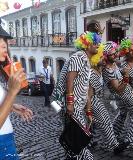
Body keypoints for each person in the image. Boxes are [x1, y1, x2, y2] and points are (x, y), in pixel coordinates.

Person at [52, 31, 101, 160]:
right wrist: (70, 103)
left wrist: (89, 112)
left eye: (98, 43)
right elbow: (70, 79)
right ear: (86, 44)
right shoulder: (78, 57)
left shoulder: (86, 60)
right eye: (95, 43)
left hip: (78, 107)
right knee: (79, 141)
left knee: (74, 140)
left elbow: (85, 89)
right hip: (72, 107)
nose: (98, 45)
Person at [102, 41, 133, 152]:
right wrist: (126, 76)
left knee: (122, 114)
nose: (115, 55)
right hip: (124, 94)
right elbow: (118, 89)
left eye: (115, 52)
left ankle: (114, 134)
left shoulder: (113, 64)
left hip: (124, 94)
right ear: (105, 56)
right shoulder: (107, 70)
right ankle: (132, 140)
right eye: (112, 54)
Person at [0, 18, 33, 159]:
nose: (4, 47)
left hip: (6, 140)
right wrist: (12, 92)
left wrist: (12, 107)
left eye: (4, 42)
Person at [89, 44, 119, 150]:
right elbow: (89, 93)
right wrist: (88, 109)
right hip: (93, 101)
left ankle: (92, 141)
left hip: (98, 99)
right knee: (105, 120)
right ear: (96, 59)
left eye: (103, 56)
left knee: (95, 123)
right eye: (101, 57)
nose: (104, 58)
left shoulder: (100, 70)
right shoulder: (92, 73)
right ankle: (114, 145)